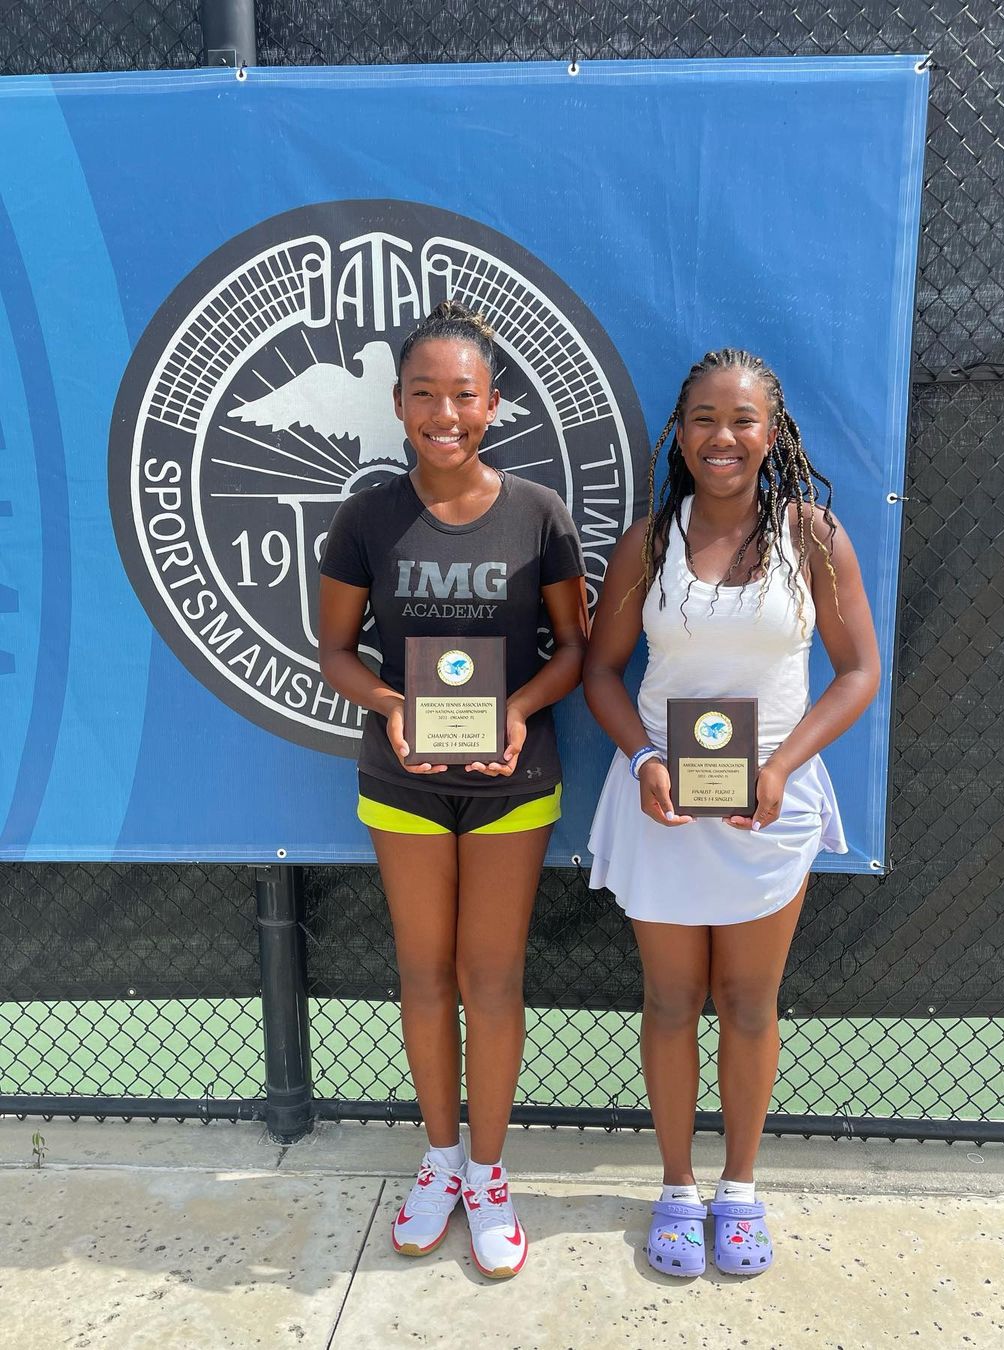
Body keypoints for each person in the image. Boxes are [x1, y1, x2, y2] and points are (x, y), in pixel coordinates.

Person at [583, 348, 880, 1277]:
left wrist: (782, 766)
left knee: (750, 1002)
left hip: (768, 811)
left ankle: (740, 1191)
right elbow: (601, 673)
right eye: (705, 419)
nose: (723, 437)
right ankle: (677, 1189)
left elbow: (859, 672)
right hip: (663, 806)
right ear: (680, 434)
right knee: (671, 1001)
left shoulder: (814, 537)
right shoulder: (647, 543)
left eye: (743, 419)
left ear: (772, 433)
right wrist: (645, 760)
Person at [318, 301, 587, 1279]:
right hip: (405, 780)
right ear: (397, 403)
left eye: (463, 395)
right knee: (426, 975)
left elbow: (574, 650)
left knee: (492, 977)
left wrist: (519, 709)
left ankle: (488, 1173)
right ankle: (438, 1160)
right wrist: (393, 705)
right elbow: (335, 652)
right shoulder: (367, 516)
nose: (445, 414)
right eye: (425, 394)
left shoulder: (539, 513)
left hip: (515, 780)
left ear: (493, 404)